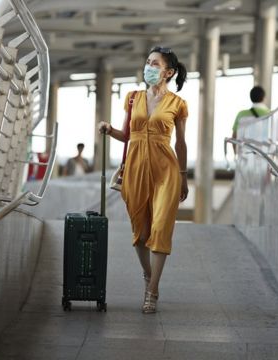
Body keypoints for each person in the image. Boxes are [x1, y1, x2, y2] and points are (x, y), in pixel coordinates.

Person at [98, 46, 188, 314]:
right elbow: (127, 135)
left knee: (160, 228)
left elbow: (181, 144)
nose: (148, 67)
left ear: (168, 72)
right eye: (148, 62)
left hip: (166, 170)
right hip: (135, 167)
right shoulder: (132, 98)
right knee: (141, 232)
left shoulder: (177, 104)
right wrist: (109, 129)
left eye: (155, 64)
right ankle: (148, 275)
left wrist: (183, 177)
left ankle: (152, 291)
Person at [231, 86, 270, 152]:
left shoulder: (241, 114)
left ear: (251, 98)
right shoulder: (270, 114)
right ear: (263, 98)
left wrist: (236, 153)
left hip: (244, 153)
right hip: (264, 154)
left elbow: (234, 136)